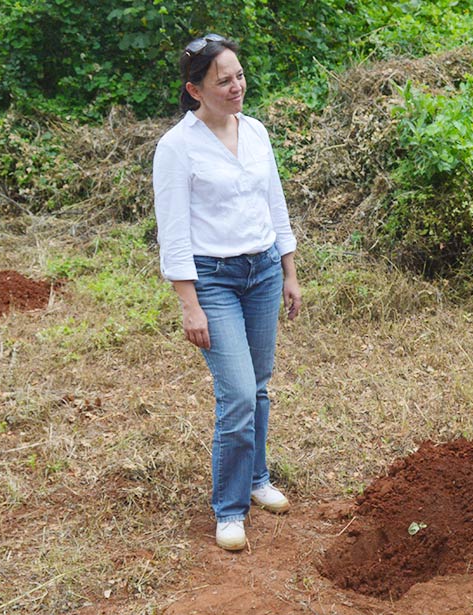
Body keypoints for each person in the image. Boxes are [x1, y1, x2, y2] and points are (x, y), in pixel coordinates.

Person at [152, 34, 302, 551]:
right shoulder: (176, 148)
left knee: (258, 384)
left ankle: (258, 478)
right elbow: (173, 233)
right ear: (195, 90)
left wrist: (288, 269)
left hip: (261, 270)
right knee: (236, 393)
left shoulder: (256, 131)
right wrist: (189, 303)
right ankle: (230, 507)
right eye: (224, 81)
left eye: (239, 76)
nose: (237, 87)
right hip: (212, 278)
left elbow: (274, 203)